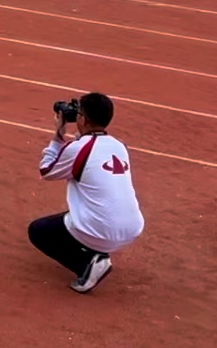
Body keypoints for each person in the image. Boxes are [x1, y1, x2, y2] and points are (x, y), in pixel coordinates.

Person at [29, 92, 143, 293]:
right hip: (132, 228)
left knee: (39, 231)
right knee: (76, 214)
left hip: (101, 229)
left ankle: (87, 264)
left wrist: (58, 134)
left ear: (82, 119)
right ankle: (96, 250)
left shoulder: (79, 148)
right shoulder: (120, 146)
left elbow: (47, 170)